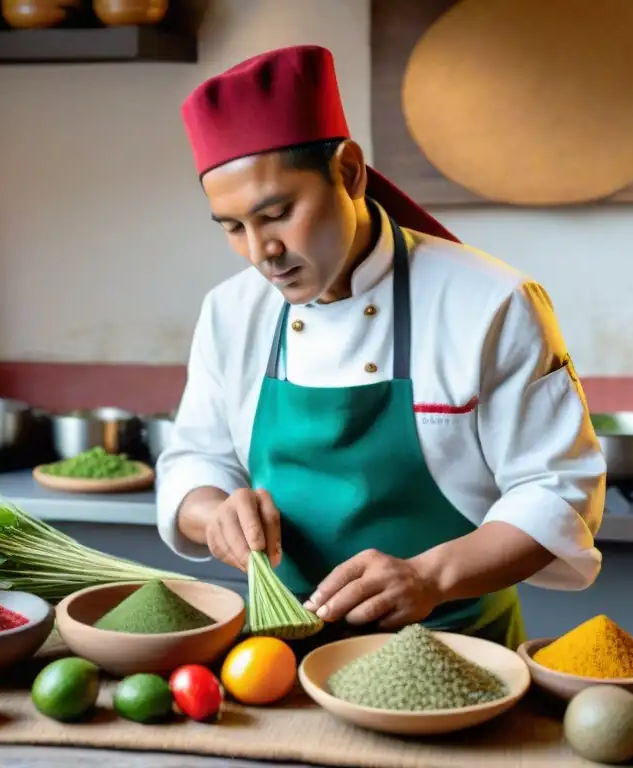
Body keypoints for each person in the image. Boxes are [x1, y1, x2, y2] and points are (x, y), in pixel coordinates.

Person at [155, 45, 606, 650]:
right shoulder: (231, 311)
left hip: (455, 647)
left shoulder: (491, 302)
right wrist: (214, 514)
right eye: (234, 228)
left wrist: (430, 576)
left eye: (278, 214)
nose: (261, 252)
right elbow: (193, 461)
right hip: (274, 652)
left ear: (348, 172)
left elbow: (559, 489)